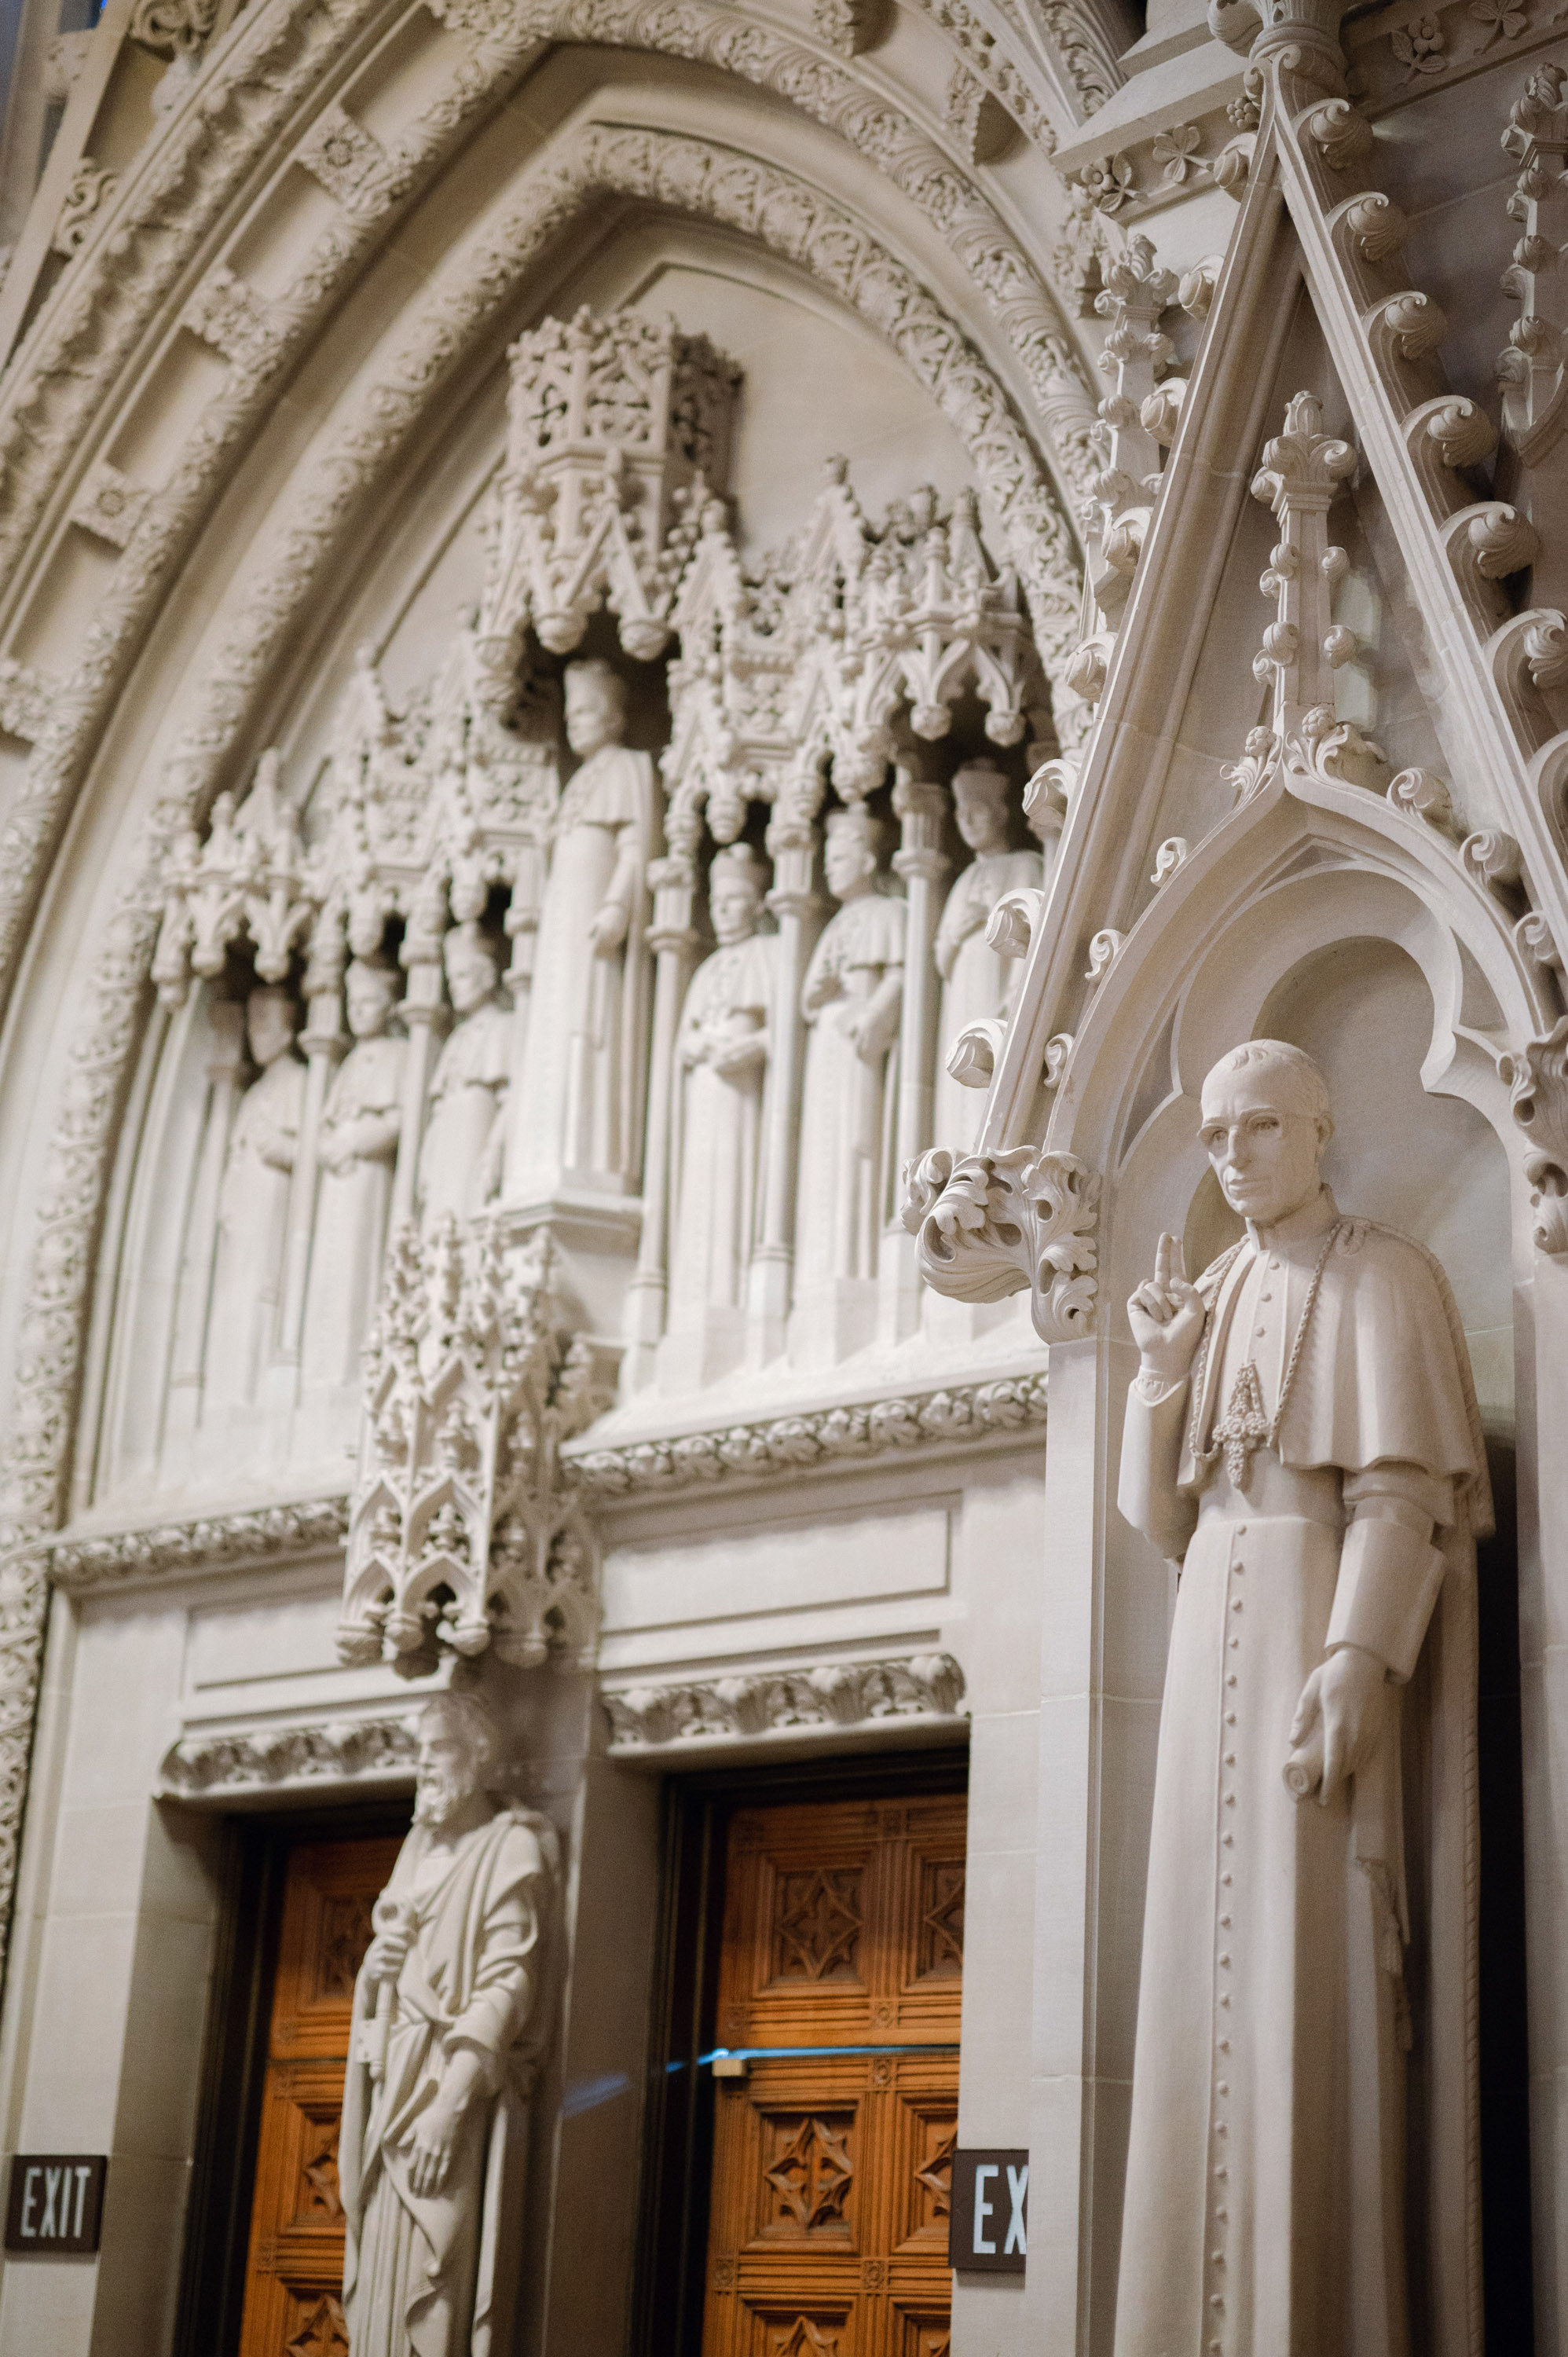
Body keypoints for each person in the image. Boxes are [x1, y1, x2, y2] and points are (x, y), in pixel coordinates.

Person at [1116, 1039, 1491, 2357]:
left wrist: (1359, 1658)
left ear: (1318, 1130)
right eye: (1216, 1135)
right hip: (1208, 1612)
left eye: (1259, 1129)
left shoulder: (1385, 1276)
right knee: (1191, 1980)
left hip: (1305, 1630)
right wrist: (1159, 1376)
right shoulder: (1205, 1294)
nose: (1232, 1155)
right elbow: (1156, 1520)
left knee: (1308, 1957)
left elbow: (1408, 1492)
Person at [341, 1692, 557, 2357]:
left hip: (443, 2091)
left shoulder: (511, 1847)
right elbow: (390, 1973)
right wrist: (374, 1975)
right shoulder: (418, 1848)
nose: (424, 1765)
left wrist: (449, 2104)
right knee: (380, 2265)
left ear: (480, 1756)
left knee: (432, 2271)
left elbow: (510, 1979)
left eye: (439, 1748)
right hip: (390, 2086)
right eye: (418, 1750)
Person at [506, 658, 655, 1200]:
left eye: (589, 711)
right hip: (562, 924)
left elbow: (636, 846)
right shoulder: (575, 785)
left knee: (588, 1022)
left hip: (593, 918)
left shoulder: (627, 768)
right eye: (571, 713)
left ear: (616, 719)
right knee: (556, 1020)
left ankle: (588, 1155)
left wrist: (617, 904)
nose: (576, 722)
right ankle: (542, 1155)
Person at [665, 846, 777, 1342]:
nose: (722, 910)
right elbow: (684, 1036)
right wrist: (694, 1045)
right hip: (704, 1097)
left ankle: (732, 1297)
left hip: (740, 1097)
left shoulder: (769, 956)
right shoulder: (707, 970)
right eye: (717, 901)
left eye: (734, 900)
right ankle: (694, 1298)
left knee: (735, 1187)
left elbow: (784, 1035)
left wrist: (747, 1047)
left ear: (757, 904)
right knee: (700, 1195)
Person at [793, 804, 905, 1296]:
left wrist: (877, 1011)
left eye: (838, 858)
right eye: (827, 860)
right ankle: (817, 1270)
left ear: (865, 861)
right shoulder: (835, 926)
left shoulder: (889, 914)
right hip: (827, 1056)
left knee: (857, 1146)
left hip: (861, 1048)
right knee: (824, 1151)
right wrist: (819, 993)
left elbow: (902, 973)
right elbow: (807, 1000)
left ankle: (854, 1269)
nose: (828, 869)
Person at [302, 959, 406, 1390]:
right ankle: (318, 1367)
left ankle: (352, 1366)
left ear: (388, 1006)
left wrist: (353, 1144)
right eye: (354, 1003)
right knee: (328, 1269)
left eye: (368, 1003)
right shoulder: (347, 1064)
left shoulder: (399, 1055)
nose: (359, 1011)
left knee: (356, 1265)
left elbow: (398, 1120)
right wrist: (329, 1147)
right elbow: (324, 1124)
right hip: (337, 1178)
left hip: (366, 1176)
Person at [203, 983, 305, 1411]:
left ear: (289, 1030)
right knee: (235, 1292)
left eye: (267, 1026)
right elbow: (234, 1158)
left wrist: (279, 1147)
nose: (256, 1037)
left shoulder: (301, 1082)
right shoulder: (255, 1094)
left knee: (263, 1287)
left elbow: (307, 1150)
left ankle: (253, 1389)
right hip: (245, 1206)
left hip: (273, 1203)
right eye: (253, 1027)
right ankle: (225, 1391)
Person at [932, 764, 1042, 1153]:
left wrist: (1014, 992)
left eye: (976, 812)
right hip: (963, 990)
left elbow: (1036, 936)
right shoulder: (962, 880)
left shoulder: (1025, 864)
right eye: (961, 815)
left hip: (999, 984)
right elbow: (942, 958)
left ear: (1000, 813)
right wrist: (962, 930)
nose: (967, 822)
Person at [418, 925, 509, 1227]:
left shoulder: (503, 1026)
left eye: (462, 976)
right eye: (450, 979)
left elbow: (511, 1099)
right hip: (448, 1141)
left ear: (486, 977)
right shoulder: (456, 1039)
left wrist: (495, 1149)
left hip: (476, 1135)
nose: (454, 987)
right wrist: (426, 1159)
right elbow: (439, 1106)